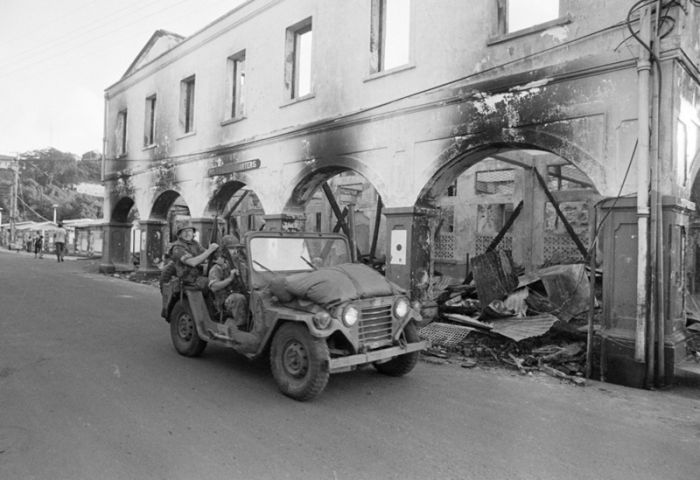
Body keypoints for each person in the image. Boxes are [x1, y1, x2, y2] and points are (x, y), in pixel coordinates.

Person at [168, 220, 219, 288]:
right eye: (184, 231)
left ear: (193, 233)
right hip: (188, 279)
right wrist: (210, 250)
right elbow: (192, 262)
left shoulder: (195, 243)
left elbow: (205, 254)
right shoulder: (177, 247)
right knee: (215, 284)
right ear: (180, 234)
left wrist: (216, 256)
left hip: (199, 274)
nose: (187, 233)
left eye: (189, 231)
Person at [207, 246, 248, 326]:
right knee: (238, 298)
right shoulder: (216, 268)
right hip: (224, 300)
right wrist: (230, 279)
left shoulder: (236, 265)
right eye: (231, 249)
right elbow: (214, 287)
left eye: (236, 249)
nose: (235, 252)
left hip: (237, 293)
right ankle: (240, 327)